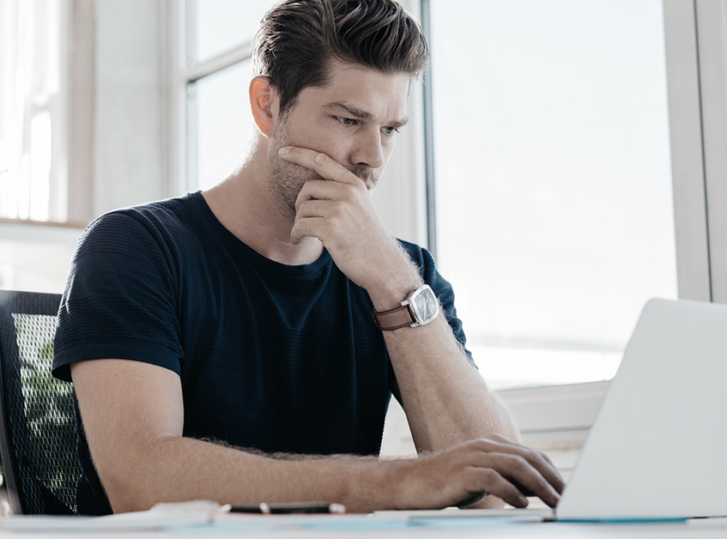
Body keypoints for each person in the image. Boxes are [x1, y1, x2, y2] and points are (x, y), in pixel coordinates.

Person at [52, 0, 564, 516]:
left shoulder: (406, 277)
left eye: (389, 129)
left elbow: (502, 492)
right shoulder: (136, 248)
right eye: (348, 120)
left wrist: (391, 282)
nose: (373, 157)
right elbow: (142, 481)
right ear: (267, 105)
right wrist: (389, 483)